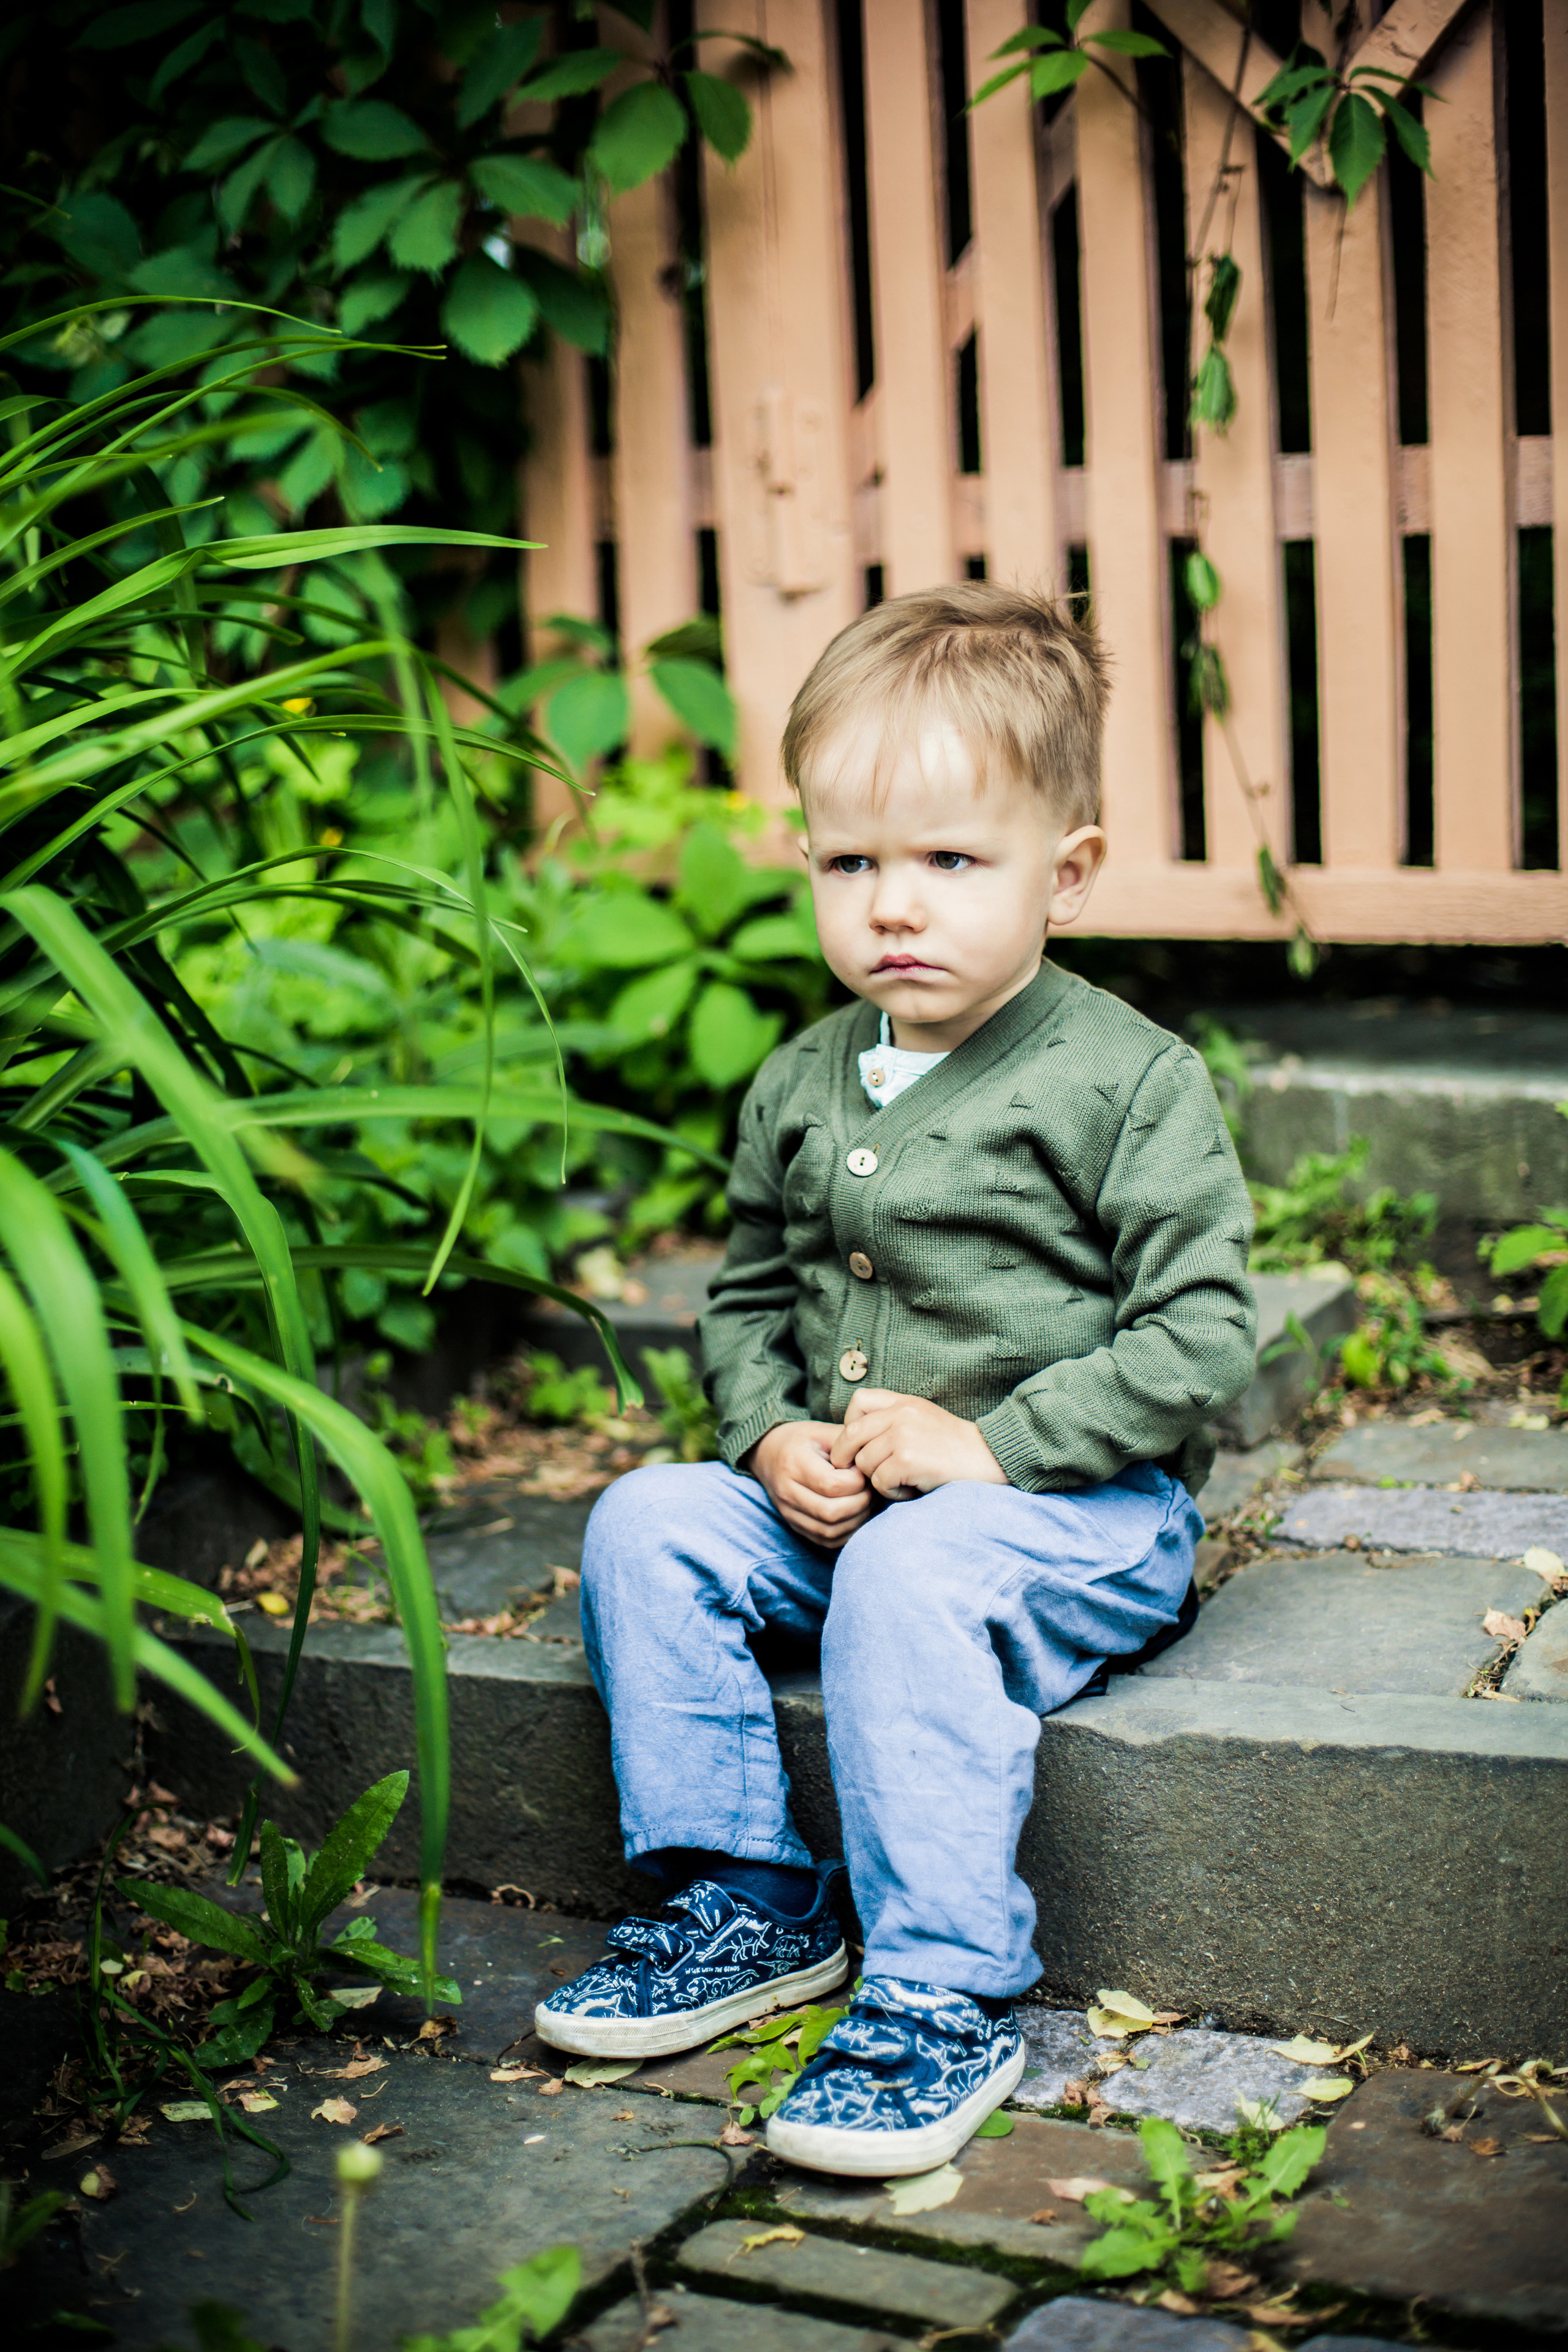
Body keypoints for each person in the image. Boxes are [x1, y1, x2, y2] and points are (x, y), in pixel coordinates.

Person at [535, 583, 1256, 2177]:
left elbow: (1204, 1337)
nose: (894, 908)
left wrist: (994, 1446)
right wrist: (772, 1428)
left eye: (950, 861)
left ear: (1065, 874)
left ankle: (942, 1988)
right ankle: (744, 1900)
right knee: (650, 1522)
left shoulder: (1127, 1081)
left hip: (1078, 1517)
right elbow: (743, 1296)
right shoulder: (801, 1081)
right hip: (853, 1516)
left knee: (920, 1572)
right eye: (853, 862)